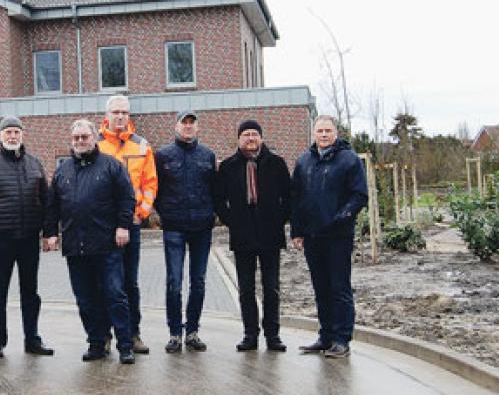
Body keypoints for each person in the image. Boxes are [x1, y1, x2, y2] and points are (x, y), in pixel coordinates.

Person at [43, 119, 137, 364]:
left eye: (84, 137)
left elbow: (127, 199)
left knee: (115, 295)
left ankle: (125, 345)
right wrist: (51, 232)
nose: (80, 141)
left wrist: (123, 226)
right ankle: (97, 343)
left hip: (107, 245)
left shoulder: (111, 166)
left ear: (94, 138)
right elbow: (52, 206)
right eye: (76, 138)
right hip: (76, 246)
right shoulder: (63, 171)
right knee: (85, 298)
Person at [0, 116, 54, 359]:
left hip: (28, 239)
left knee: (31, 292)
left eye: (16, 131)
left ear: (22, 135)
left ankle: (32, 340)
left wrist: (49, 233)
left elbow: (47, 201)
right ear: (0, 136)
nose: (12, 136)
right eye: (8, 131)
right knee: (0, 292)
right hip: (0, 240)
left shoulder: (35, 164)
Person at [290, 115, 368, 358]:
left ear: (336, 133)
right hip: (312, 236)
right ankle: (325, 337)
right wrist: (297, 231)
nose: (323, 135)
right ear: (313, 133)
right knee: (320, 288)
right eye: (319, 130)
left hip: (338, 236)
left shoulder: (349, 160)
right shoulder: (304, 162)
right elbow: (296, 199)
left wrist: (342, 216)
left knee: (339, 287)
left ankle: (341, 339)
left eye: (328, 130)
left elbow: (359, 195)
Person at [216, 120, 291, 352]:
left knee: (271, 288)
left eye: (254, 134)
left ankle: (273, 334)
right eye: (246, 134)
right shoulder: (228, 167)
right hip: (243, 236)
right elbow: (219, 200)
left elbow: (289, 196)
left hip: (270, 235)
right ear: (238, 139)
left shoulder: (276, 164)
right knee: (246, 289)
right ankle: (250, 333)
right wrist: (233, 221)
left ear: (261, 138)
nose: (250, 138)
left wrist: (279, 219)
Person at [96, 95, 157, 354]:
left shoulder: (141, 146)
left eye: (124, 112)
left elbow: (150, 184)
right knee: (105, 283)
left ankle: (133, 334)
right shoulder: (96, 145)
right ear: (106, 115)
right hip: (102, 226)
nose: (120, 116)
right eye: (115, 112)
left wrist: (140, 213)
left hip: (130, 224)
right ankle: (105, 335)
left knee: (129, 282)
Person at [154, 110, 218, 353]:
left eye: (192, 123)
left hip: (202, 226)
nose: (188, 126)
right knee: (174, 282)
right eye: (184, 122)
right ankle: (174, 334)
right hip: (174, 227)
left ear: (197, 128)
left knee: (198, 281)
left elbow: (215, 188)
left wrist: (212, 213)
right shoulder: (163, 155)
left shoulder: (207, 155)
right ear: (176, 126)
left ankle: (192, 331)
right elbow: (156, 187)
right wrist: (163, 214)